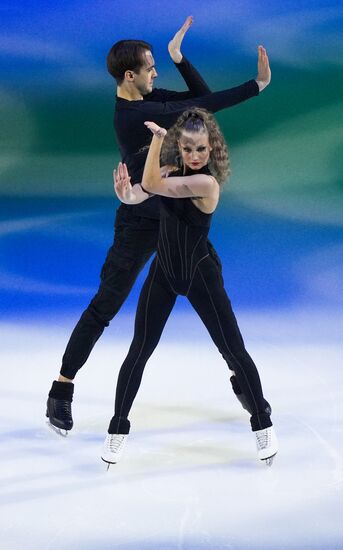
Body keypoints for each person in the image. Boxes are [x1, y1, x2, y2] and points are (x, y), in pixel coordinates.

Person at [46, 16, 272, 436]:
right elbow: (207, 106)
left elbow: (200, 99)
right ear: (130, 76)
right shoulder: (134, 115)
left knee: (216, 298)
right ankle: (61, 388)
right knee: (107, 303)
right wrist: (256, 87)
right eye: (151, 68)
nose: (156, 74)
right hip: (138, 219)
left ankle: (244, 381)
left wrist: (179, 58)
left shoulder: (150, 99)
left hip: (177, 218)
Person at [101, 109, 278, 467]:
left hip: (200, 274)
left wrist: (156, 140)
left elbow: (151, 184)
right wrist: (125, 197)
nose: (194, 156)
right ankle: (117, 430)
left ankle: (262, 422)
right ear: (179, 149)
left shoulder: (207, 185)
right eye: (187, 149)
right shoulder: (169, 172)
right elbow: (142, 194)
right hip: (164, 270)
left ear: (212, 149)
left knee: (233, 350)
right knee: (139, 351)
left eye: (201, 149)